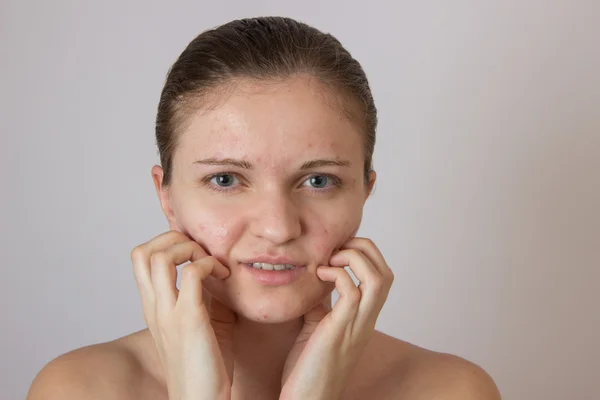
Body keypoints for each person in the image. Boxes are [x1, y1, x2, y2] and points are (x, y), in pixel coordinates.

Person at [27, 16, 500, 400]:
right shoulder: (79, 389)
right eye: (226, 179)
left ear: (364, 191)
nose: (277, 228)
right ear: (166, 197)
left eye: (318, 180)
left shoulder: (449, 391)